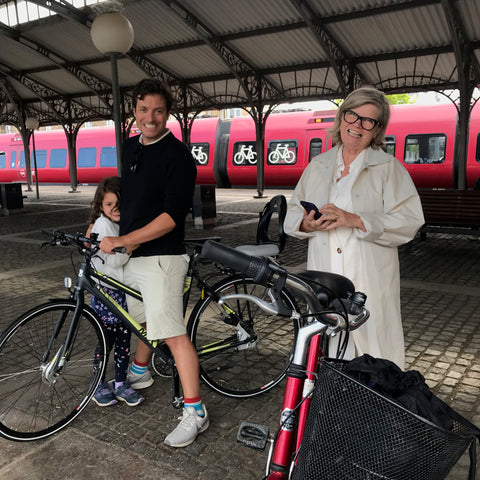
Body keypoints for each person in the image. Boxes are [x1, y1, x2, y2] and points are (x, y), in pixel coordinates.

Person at [284, 86, 425, 370]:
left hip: (369, 277)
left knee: (373, 348)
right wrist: (305, 222)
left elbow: (411, 220)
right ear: (341, 117)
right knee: (329, 346)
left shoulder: (388, 168)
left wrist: (357, 220)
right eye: (352, 115)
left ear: (377, 129)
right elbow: (293, 211)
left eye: (368, 121)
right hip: (325, 275)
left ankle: (373, 408)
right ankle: (332, 405)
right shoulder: (318, 165)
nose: (357, 125)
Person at [99, 78, 207, 448]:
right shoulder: (131, 148)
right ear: (134, 111)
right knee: (142, 321)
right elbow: (130, 200)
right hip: (134, 256)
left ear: (167, 113)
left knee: (174, 335)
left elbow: (170, 217)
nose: (151, 117)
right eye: (144, 109)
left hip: (163, 258)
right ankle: (140, 372)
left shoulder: (178, 156)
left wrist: (124, 241)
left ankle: (195, 412)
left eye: (158, 111)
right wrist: (104, 224)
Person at [88, 176, 144, 407]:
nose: (115, 208)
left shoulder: (121, 224)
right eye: (109, 204)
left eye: (119, 203)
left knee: (123, 340)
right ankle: (98, 383)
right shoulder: (103, 225)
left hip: (121, 292)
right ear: (101, 206)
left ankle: (120, 382)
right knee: (106, 341)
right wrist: (133, 245)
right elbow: (115, 261)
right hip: (106, 294)